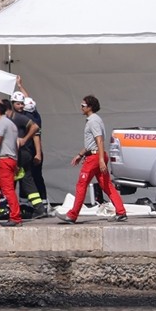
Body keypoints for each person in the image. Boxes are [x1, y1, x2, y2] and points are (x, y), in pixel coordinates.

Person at [58, 95, 128, 224]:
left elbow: (99, 141)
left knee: (81, 185)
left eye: (83, 105)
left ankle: (72, 215)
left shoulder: (93, 121)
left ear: (90, 107)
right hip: (96, 155)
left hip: (95, 158)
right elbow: (92, 144)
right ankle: (121, 212)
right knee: (106, 185)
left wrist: (100, 160)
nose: (81, 107)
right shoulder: (95, 119)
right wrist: (80, 154)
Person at [7, 93, 48, 217]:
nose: (20, 106)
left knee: (14, 181)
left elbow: (36, 133)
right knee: (26, 181)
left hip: (23, 153)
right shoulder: (15, 117)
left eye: (21, 104)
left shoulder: (24, 117)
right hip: (20, 153)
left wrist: (37, 152)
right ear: (12, 103)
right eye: (17, 103)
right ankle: (36, 208)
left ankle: (11, 209)